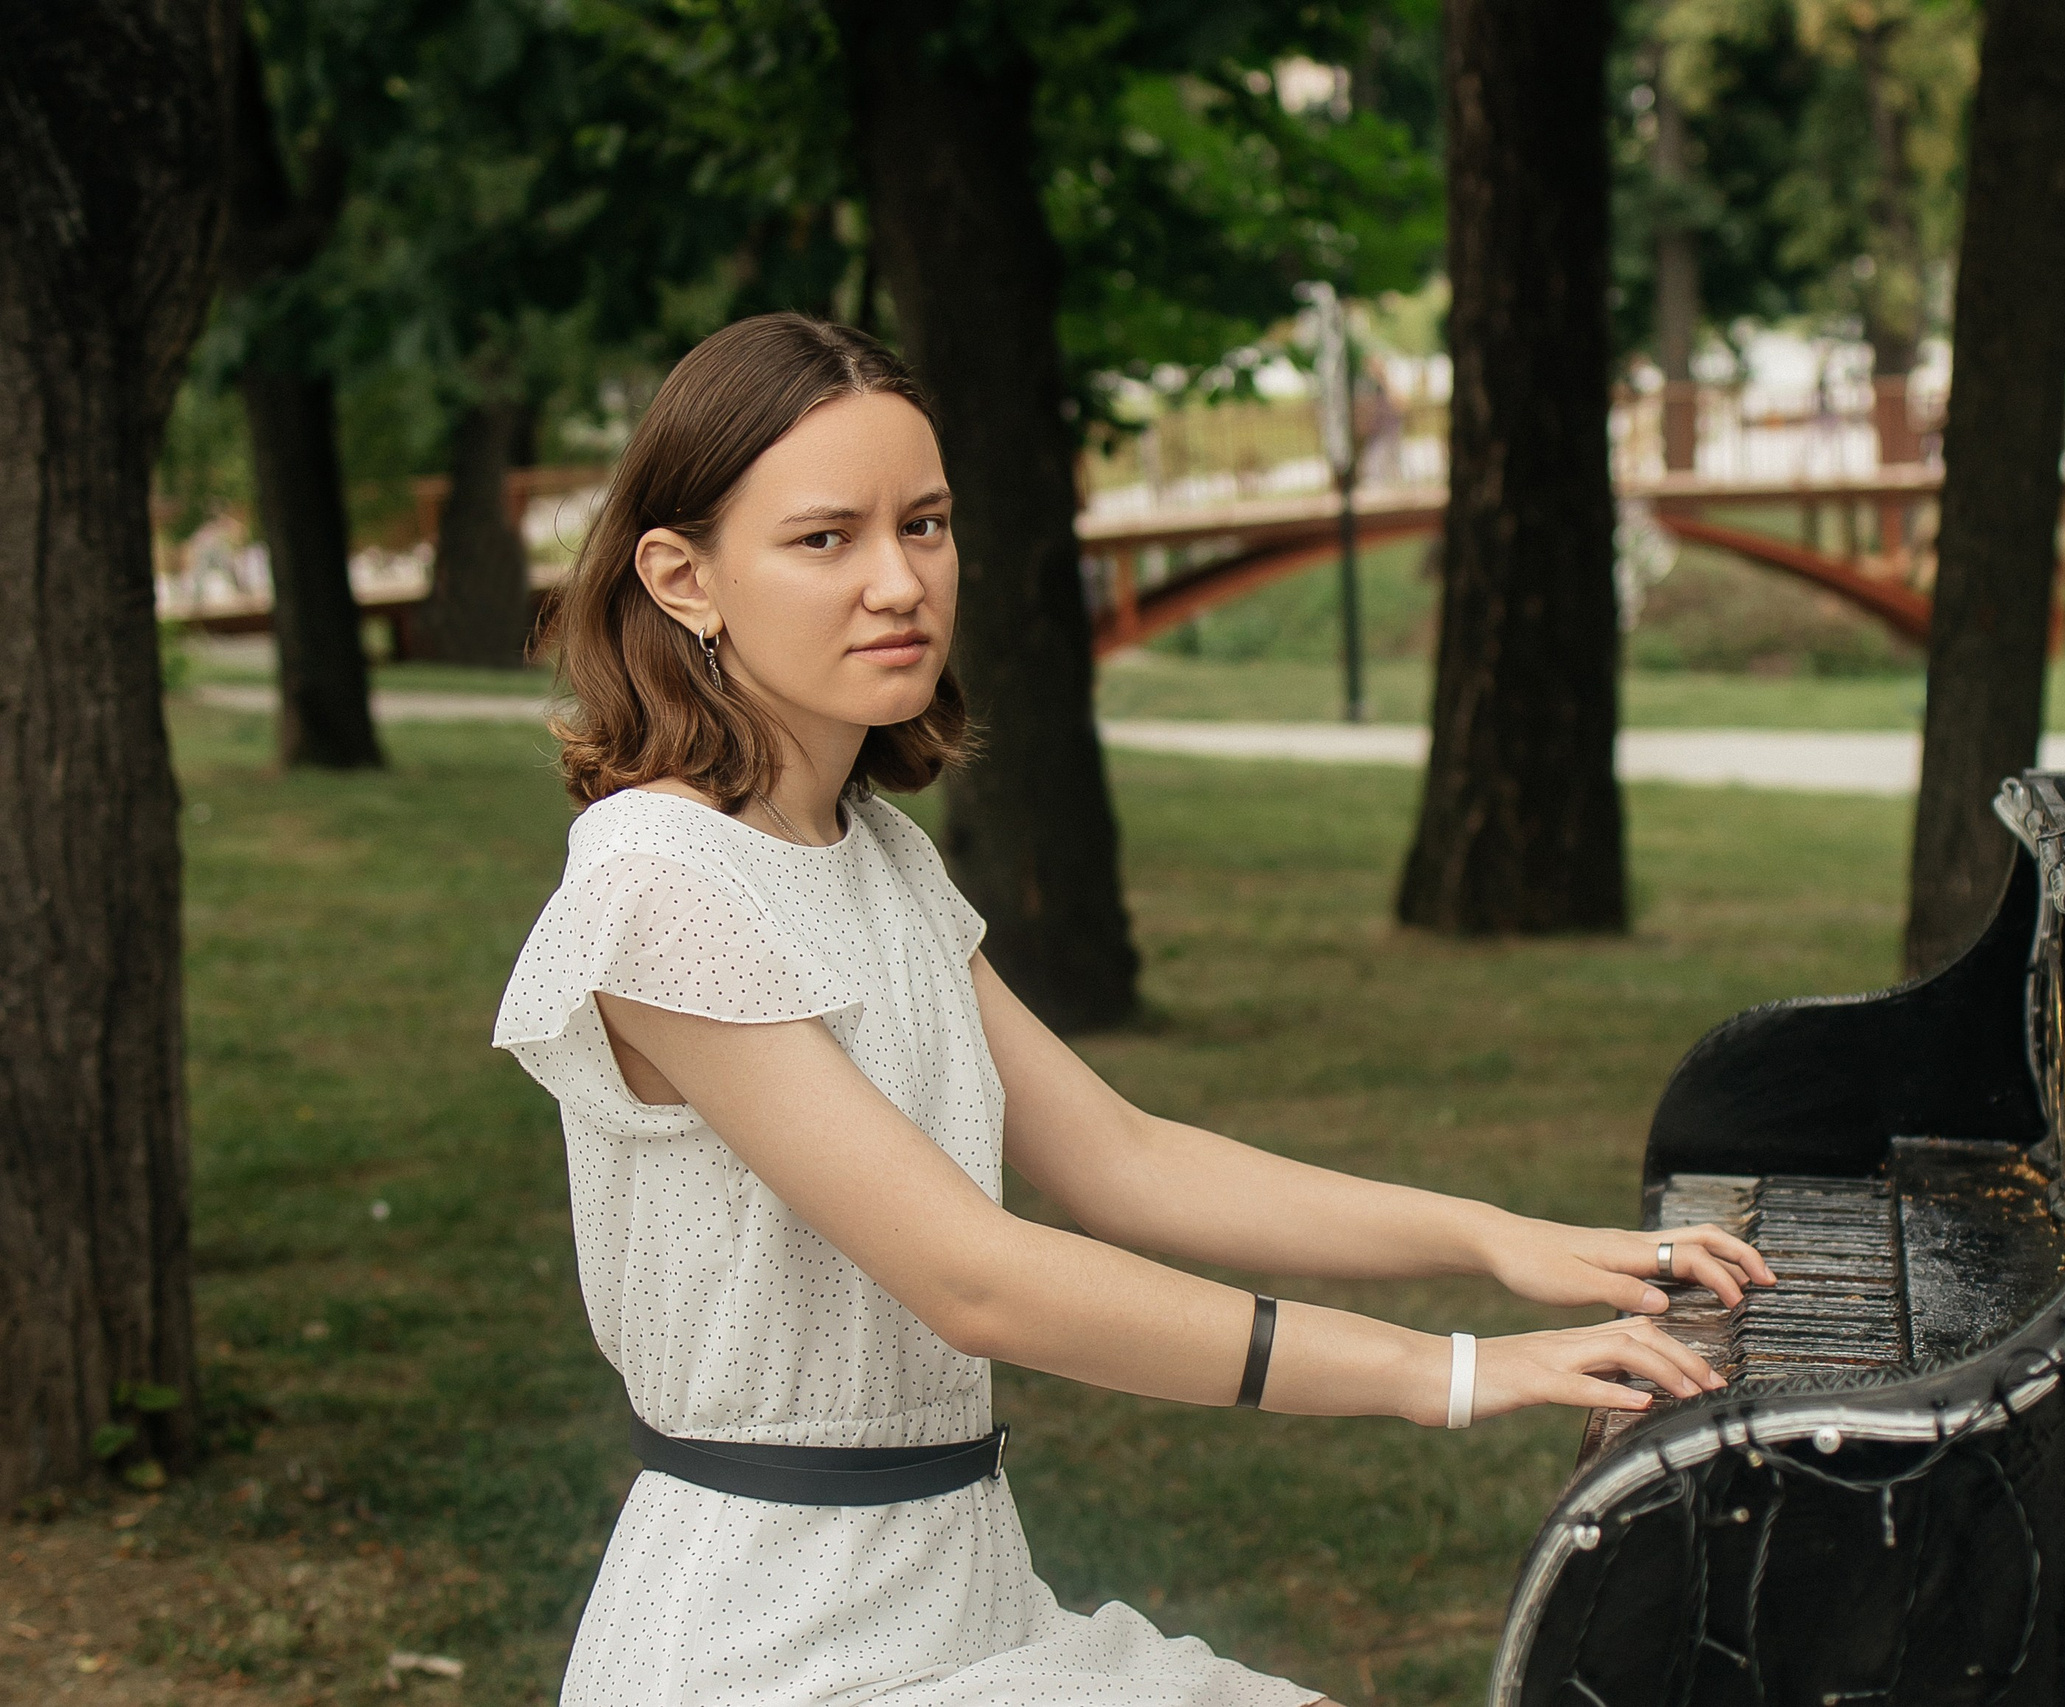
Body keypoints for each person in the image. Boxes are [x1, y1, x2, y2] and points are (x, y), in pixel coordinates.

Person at [493, 313, 1772, 1706]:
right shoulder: (659, 884)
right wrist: (1446, 1373)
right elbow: (973, 1277)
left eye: (924, 525)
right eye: (826, 539)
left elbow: (1123, 1158)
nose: (897, 581)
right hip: (770, 1641)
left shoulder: (882, 861)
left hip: (962, 1590)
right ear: (683, 577)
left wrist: (1496, 1238)